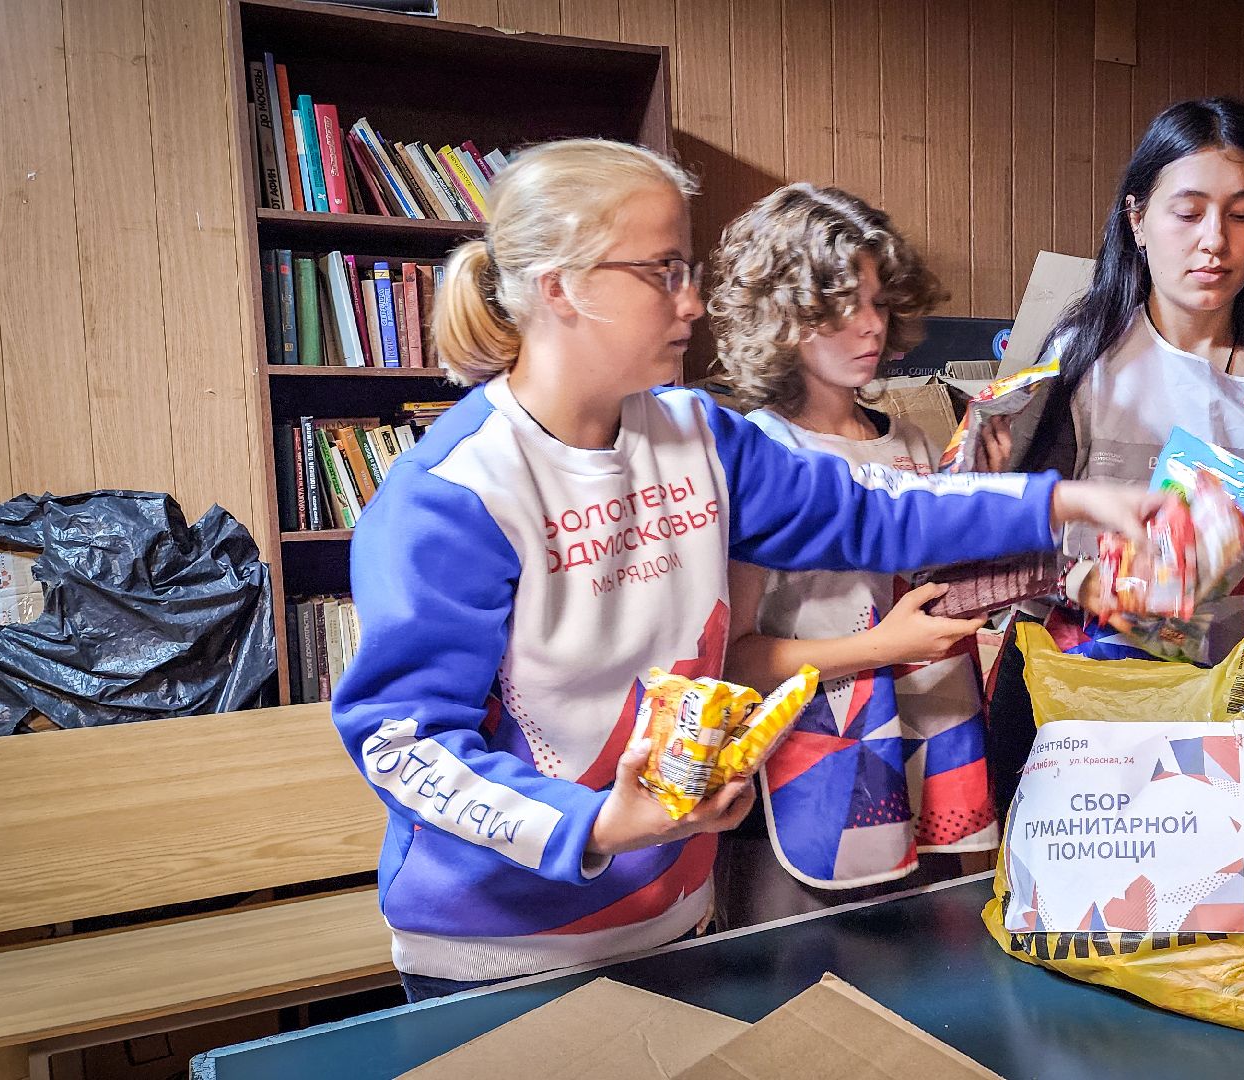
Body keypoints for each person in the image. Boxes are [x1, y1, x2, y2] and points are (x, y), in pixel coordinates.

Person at [329, 139, 1150, 1001]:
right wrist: (600, 823)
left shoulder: (697, 436)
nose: (693, 301)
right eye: (663, 270)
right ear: (559, 287)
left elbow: (873, 512)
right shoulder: (454, 494)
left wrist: (1065, 504)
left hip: (674, 914)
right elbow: (403, 740)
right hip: (503, 948)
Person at [986, 97, 1244, 806]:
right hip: (1082, 706)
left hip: (1236, 708)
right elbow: (998, 531)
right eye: (1188, 212)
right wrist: (1084, 584)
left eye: (1243, 212)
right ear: (1137, 218)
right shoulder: (1082, 363)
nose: (1214, 241)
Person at [707, 184, 994, 926]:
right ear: (782, 312)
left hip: (936, 747)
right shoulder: (762, 453)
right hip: (818, 772)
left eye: (879, 302)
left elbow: (943, 593)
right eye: (843, 306)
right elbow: (734, 660)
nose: (872, 326)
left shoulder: (916, 441)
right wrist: (883, 645)